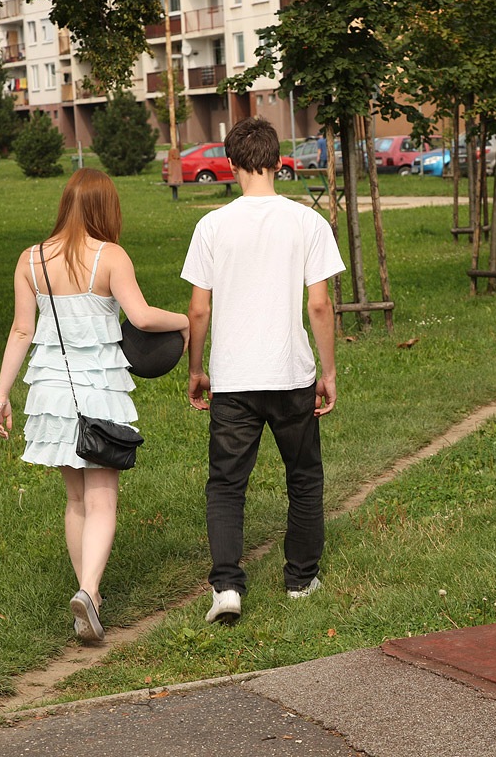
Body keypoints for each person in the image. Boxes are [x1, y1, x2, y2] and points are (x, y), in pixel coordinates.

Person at [0, 168, 189, 642]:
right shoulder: (110, 256)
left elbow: (22, 330)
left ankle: (91, 600)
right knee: (103, 499)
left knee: (76, 500)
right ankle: (89, 589)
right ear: (107, 208)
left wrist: (1, 394)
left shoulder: (31, 259)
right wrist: (187, 319)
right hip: (98, 390)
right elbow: (140, 316)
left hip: (50, 393)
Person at [181, 117, 346, 625]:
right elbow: (319, 306)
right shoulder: (307, 223)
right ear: (279, 162)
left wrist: (196, 367)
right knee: (304, 477)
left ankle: (226, 588)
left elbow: (198, 311)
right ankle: (300, 580)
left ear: (230, 167)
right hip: (291, 373)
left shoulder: (212, 226)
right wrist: (329, 370)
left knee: (227, 485)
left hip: (233, 378)